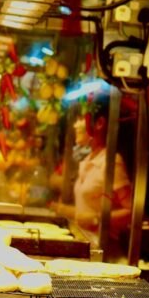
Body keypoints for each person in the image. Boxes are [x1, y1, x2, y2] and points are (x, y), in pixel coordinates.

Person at [55, 104, 132, 254]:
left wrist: (96, 219)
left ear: (100, 123)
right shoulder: (89, 159)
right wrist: (65, 210)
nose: (76, 124)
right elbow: (87, 209)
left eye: (81, 118)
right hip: (83, 245)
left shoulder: (112, 162)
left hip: (103, 250)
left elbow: (130, 212)